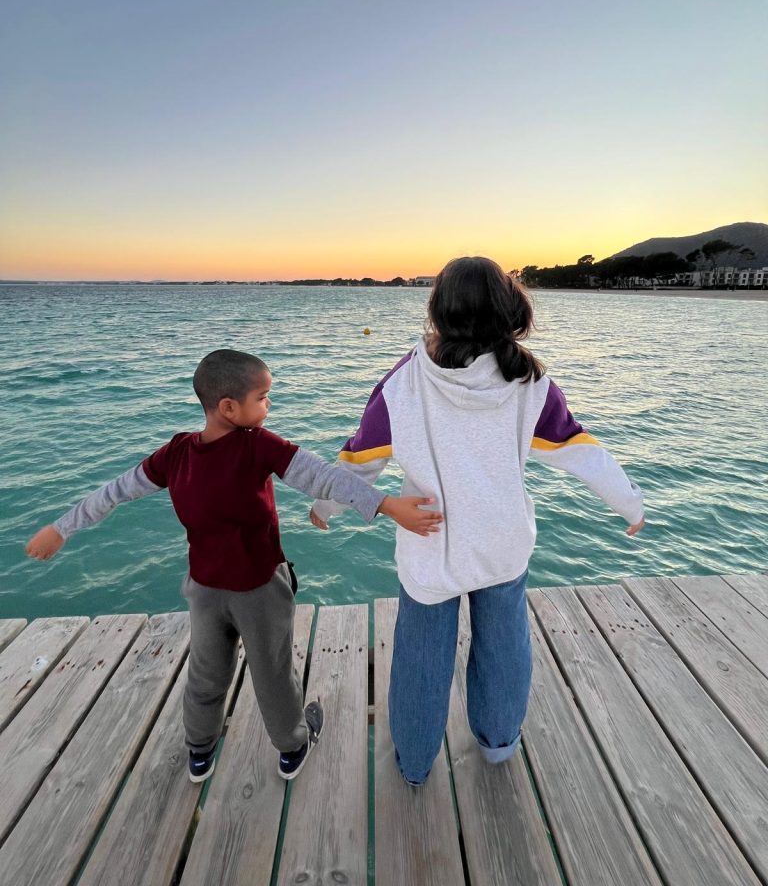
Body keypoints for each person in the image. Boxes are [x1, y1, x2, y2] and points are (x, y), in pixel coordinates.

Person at [25, 348, 442, 784]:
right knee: (272, 673)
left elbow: (115, 492)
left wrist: (61, 528)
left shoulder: (176, 453)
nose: (269, 405)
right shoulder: (259, 445)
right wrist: (388, 504)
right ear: (229, 407)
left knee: (206, 672)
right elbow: (323, 477)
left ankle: (200, 752)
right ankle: (293, 746)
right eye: (263, 397)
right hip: (259, 588)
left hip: (203, 589)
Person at [310, 257, 644, 786]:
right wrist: (631, 503)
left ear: (438, 309)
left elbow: (361, 456)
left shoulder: (404, 381)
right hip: (502, 543)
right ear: (508, 307)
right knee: (505, 647)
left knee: (421, 659)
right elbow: (579, 449)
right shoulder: (528, 379)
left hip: (430, 545)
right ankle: (497, 746)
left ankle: (416, 766)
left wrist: (325, 503)